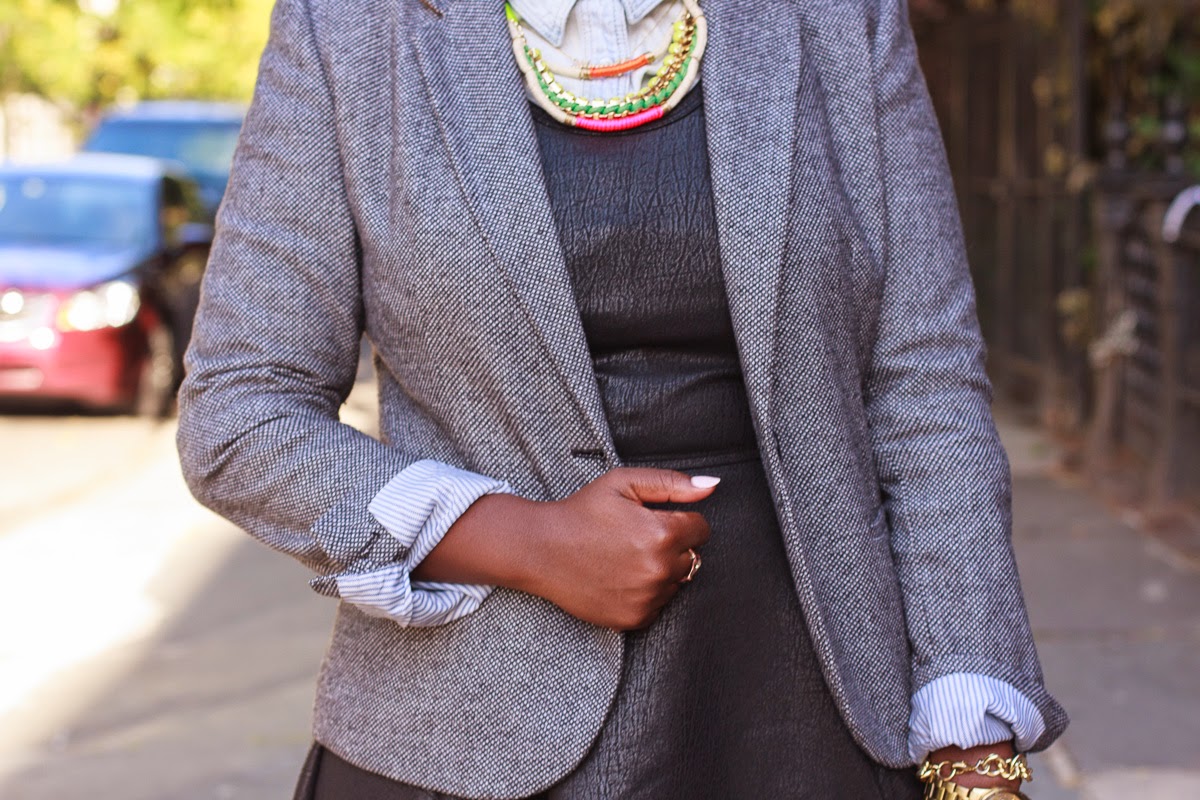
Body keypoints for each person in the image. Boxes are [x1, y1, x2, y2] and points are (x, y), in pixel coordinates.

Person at [176, 0, 1067, 797]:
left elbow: (923, 377)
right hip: (467, 730)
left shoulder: (840, 16)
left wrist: (973, 736)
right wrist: (523, 540)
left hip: (811, 709)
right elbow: (241, 409)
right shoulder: (348, 29)